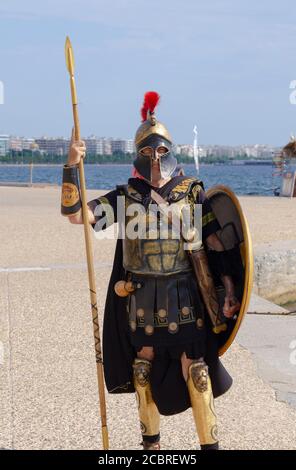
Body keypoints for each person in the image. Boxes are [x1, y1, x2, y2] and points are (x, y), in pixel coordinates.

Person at [61, 92, 240, 450]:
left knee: (197, 372)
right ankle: (151, 448)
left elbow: (216, 245)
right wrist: (70, 165)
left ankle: (211, 448)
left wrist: (230, 291)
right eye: (147, 152)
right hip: (141, 299)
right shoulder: (126, 196)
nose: (155, 159)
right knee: (142, 371)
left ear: (171, 152)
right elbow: (78, 215)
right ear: (138, 156)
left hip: (186, 295)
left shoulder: (192, 193)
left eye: (161, 151)